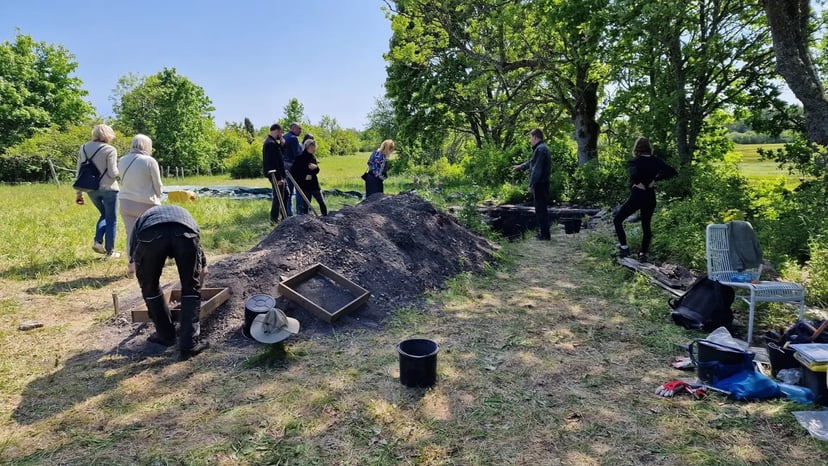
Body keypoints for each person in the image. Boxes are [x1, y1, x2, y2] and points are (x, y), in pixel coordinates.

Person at [131, 204, 209, 361]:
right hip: (185, 232)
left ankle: (166, 336)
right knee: (190, 289)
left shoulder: (142, 219)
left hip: (150, 235)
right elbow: (203, 270)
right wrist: (195, 289)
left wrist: (147, 281)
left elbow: (134, 261)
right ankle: (189, 345)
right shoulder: (186, 216)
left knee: (150, 287)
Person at [613, 137, 677, 262]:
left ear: (637, 148)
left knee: (618, 219)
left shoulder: (635, 162)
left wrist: (638, 182)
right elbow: (672, 172)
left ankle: (624, 247)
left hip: (638, 195)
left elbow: (634, 175)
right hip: (650, 195)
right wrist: (655, 179)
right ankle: (643, 254)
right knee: (646, 225)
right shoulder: (656, 161)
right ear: (649, 148)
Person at [118, 134, 163, 274]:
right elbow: (158, 184)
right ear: (147, 146)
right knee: (156, 233)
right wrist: (159, 195)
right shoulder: (150, 161)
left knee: (131, 235)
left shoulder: (122, 160)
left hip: (125, 202)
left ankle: (132, 264)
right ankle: (155, 261)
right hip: (147, 203)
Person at [75, 124, 121, 258]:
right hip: (109, 188)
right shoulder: (110, 149)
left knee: (104, 215)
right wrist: (121, 170)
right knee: (111, 218)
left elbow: (80, 171)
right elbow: (113, 173)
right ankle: (110, 252)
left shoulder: (83, 148)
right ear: (108, 135)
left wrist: (79, 192)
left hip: (90, 188)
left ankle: (98, 241)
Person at [511, 129, 552, 240]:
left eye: (530, 138)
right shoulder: (542, 148)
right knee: (541, 209)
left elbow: (536, 170)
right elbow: (532, 162)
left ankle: (544, 235)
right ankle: (544, 234)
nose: (530, 140)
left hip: (540, 184)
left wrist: (531, 184)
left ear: (535, 137)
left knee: (540, 209)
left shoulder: (540, 149)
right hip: (543, 183)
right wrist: (520, 166)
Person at [291, 138, 328, 216]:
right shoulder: (299, 158)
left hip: (314, 184)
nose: (314, 149)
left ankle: (325, 217)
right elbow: (294, 173)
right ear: (308, 147)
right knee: (306, 205)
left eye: (315, 147)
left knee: (321, 202)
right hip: (304, 185)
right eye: (312, 147)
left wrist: (315, 168)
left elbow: (316, 170)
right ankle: (306, 220)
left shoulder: (313, 157)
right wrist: (304, 176)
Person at [262, 123, 289, 223]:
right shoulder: (270, 144)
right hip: (275, 175)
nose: (281, 135)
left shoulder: (273, 143)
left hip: (279, 175)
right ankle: (274, 219)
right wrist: (279, 178)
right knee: (278, 197)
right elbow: (273, 163)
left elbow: (280, 155)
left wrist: (282, 144)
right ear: (277, 131)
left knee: (285, 194)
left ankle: (285, 217)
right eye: (281, 132)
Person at [283, 122, 306, 215]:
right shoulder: (293, 138)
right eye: (299, 129)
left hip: (284, 166)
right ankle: (300, 213)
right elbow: (297, 155)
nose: (300, 131)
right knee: (299, 189)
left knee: (288, 191)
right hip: (292, 166)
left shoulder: (284, 137)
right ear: (293, 128)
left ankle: (289, 213)